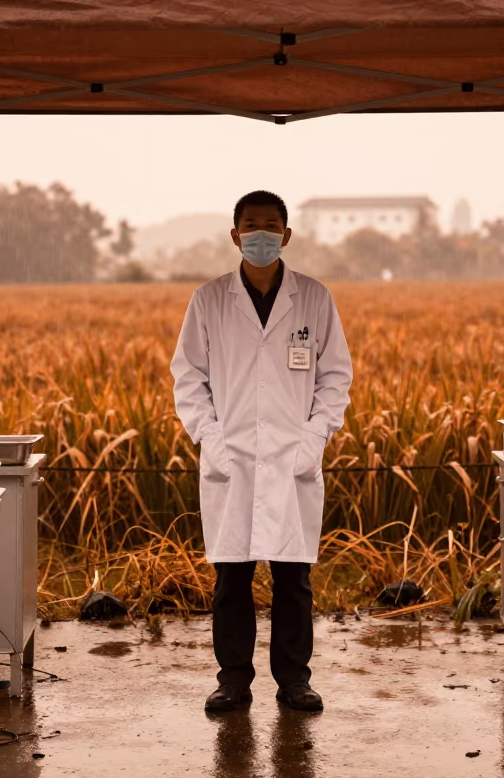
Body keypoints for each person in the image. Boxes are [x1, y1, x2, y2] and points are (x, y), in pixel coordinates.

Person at [170, 190, 353, 714]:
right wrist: (210, 436)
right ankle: (233, 680)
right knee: (232, 578)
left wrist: (315, 436)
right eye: (251, 226)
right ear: (234, 235)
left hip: (294, 456)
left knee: (294, 578)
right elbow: (188, 377)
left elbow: (335, 377)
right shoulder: (208, 300)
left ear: (287, 235)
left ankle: (295, 681)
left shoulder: (314, 299)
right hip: (231, 457)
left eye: (271, 226)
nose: (261, 236)